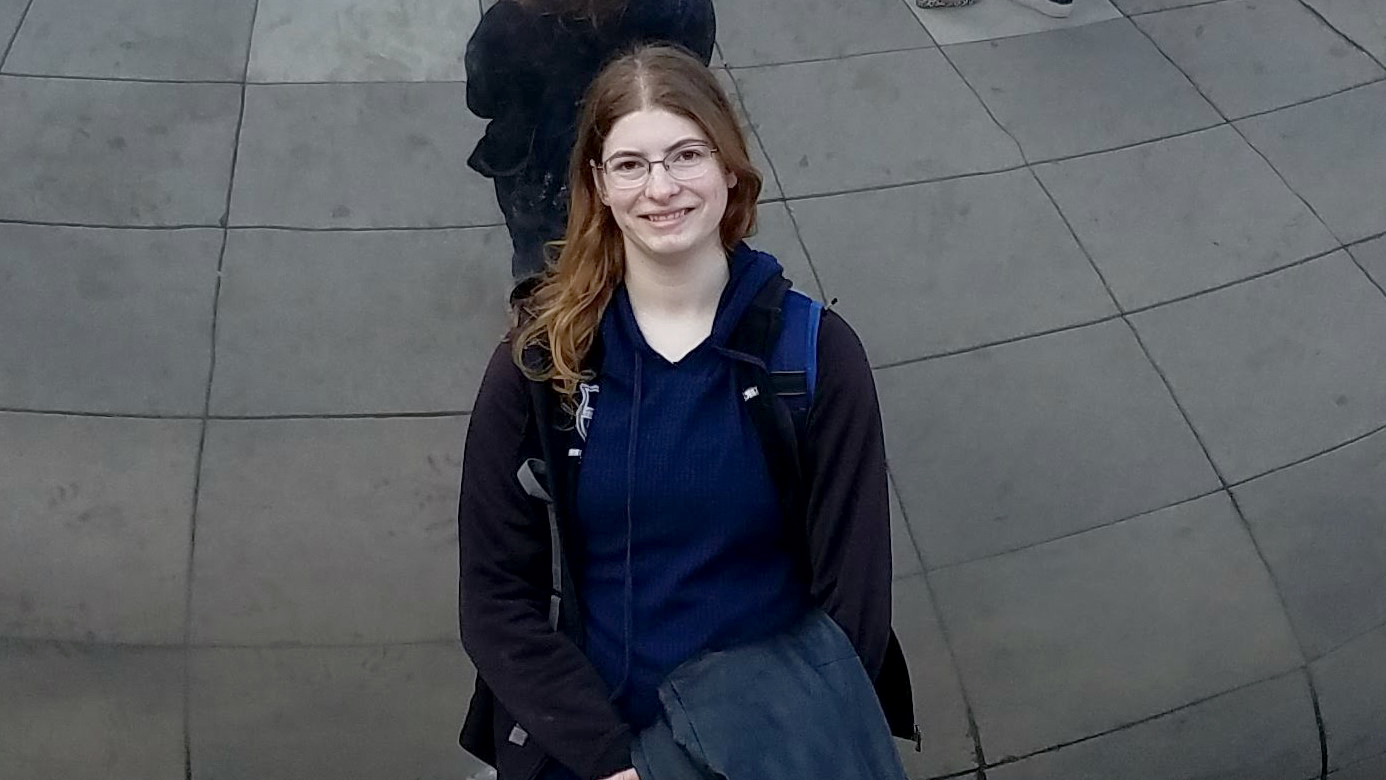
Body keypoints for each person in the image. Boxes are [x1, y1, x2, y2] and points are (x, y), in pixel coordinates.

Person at [458, 45, 916, 780]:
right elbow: (494, 600)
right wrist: (618, 765)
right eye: (631, 164)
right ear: (598, 185)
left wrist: (703, 761)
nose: (660, 187)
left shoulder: (815, 355)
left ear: (729, 168)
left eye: (686, 154)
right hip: (594, 758)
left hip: (767, 752)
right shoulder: (540, 367)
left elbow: (853, 608)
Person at [464, 0, 716, 280]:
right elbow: (690, 75)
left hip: (545, 183)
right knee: (643, 248)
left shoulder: (508, 25)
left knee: (545, 266)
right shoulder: (682, 7)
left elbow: (482, 100)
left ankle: (541, 309)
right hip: (643, 164)